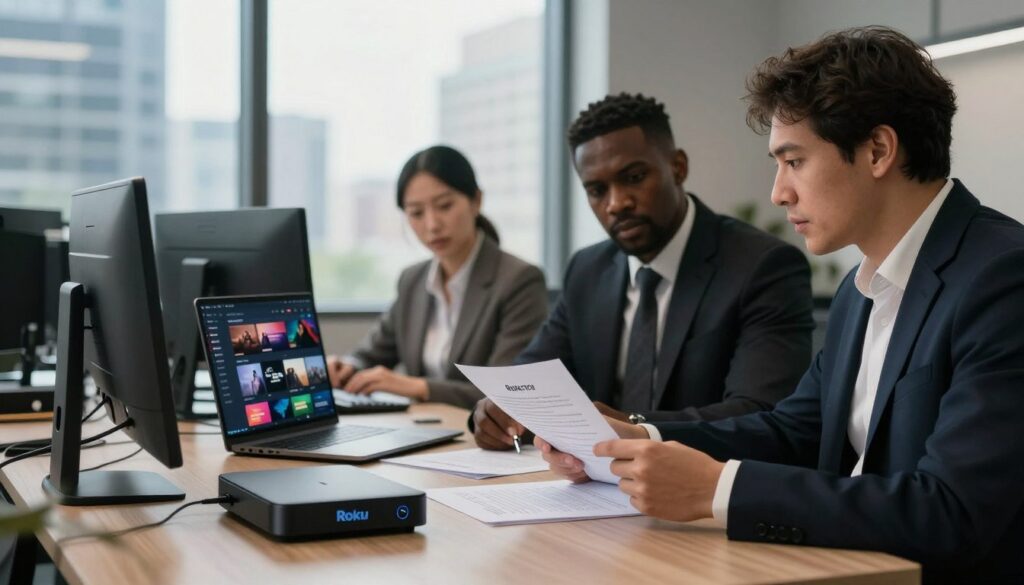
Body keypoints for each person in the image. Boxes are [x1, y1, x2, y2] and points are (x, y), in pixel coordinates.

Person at [539, 27, 1024, 583]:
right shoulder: (860, 290)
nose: (778, 192)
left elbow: (951, 511)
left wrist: (717, 489)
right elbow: (794, 430)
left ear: (878, 150)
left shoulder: (1002, 279)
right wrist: (639, 438)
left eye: (793, 161)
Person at [472, 92, 814, 450]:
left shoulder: (762, 265)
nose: (617, 203)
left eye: (633, 177)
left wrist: (634, 427)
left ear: (678, 167)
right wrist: (497, 411)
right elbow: (530, 379)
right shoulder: (588, 270)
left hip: (703, 492)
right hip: (593, 487)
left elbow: (760, 413)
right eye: (597, 190)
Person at [327, 145, 548, 408]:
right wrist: (347, 367)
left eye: (444, 206)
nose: (432, 225)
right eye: (416, 213)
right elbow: (372, 354)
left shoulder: (519, 280)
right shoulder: (413, 280)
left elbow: (509, 390)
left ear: (476, 201)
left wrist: (415, 386)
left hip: (481, 438)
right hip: (421, 429)